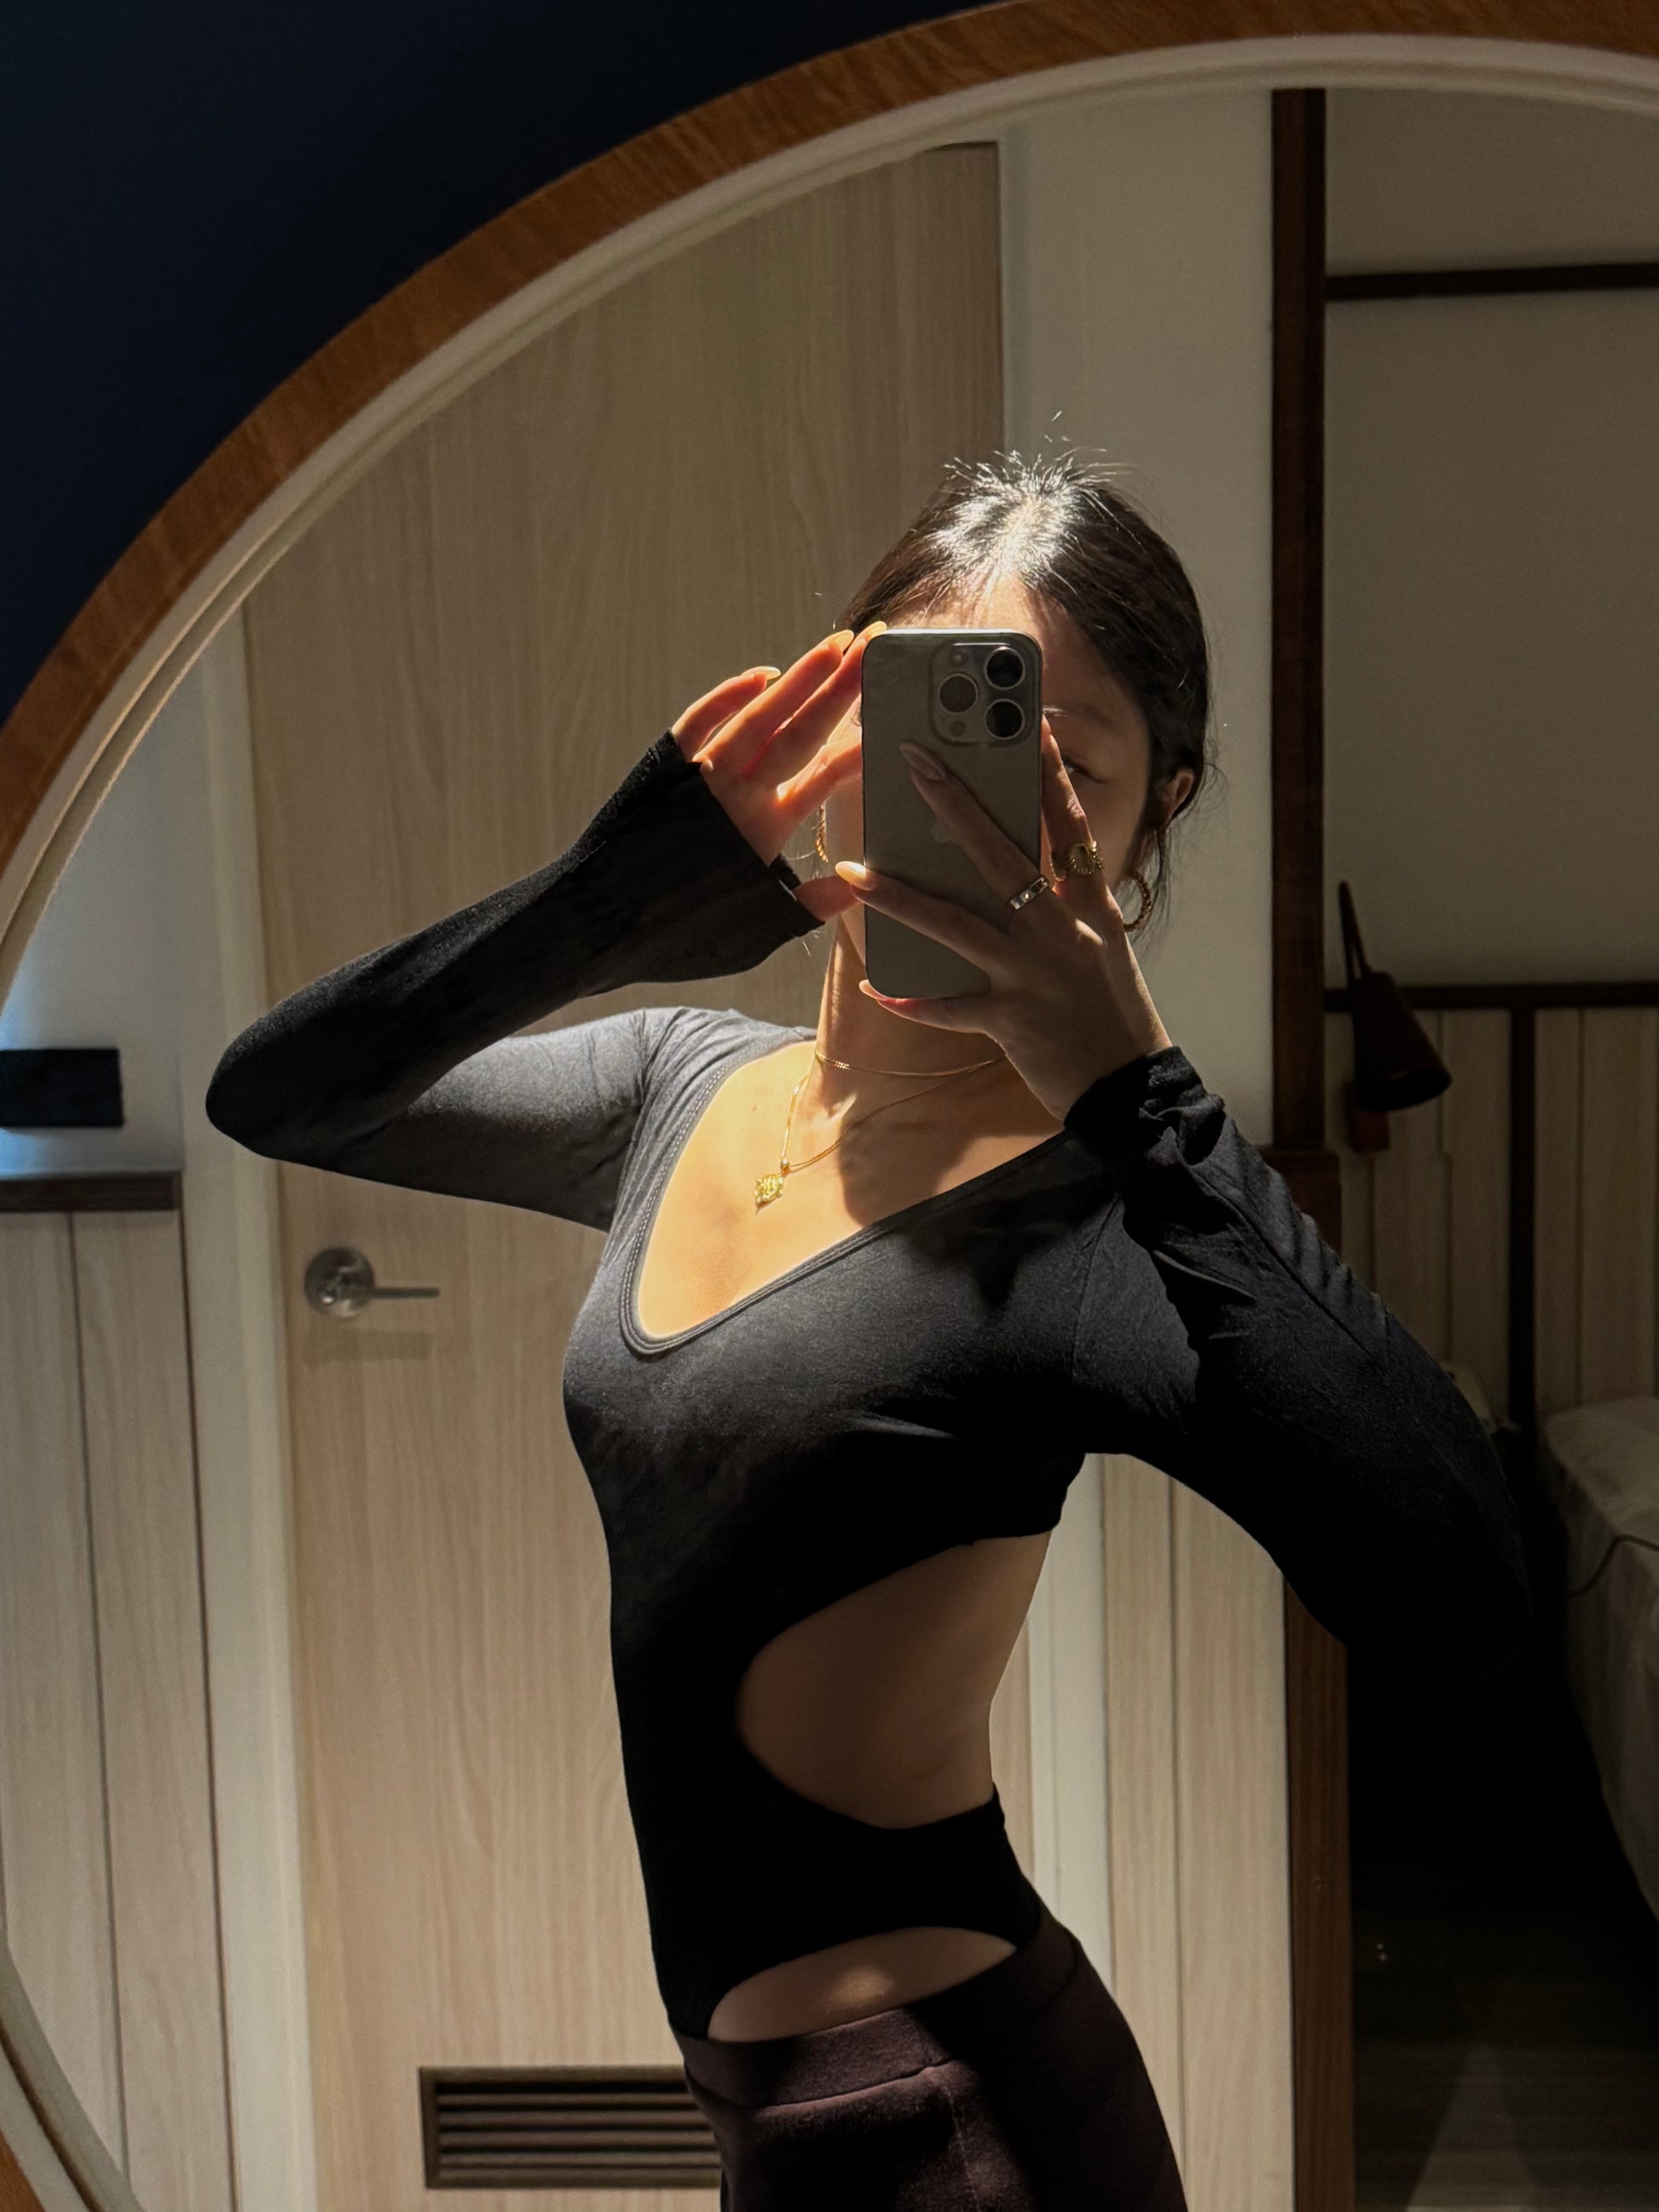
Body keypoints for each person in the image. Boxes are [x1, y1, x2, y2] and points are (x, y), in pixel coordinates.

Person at [205, 451, 1529, 2209]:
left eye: (1061, 773)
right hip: (778, 2116)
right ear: (834, 738)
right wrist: (614, 896)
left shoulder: (1092, 1217)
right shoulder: (675, 1086)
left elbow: (1457, 1597)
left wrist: (1137, 1092)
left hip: (954, 2125)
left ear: (1153, 817)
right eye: (930, 739)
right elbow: (282, 1097)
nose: (973, 813)